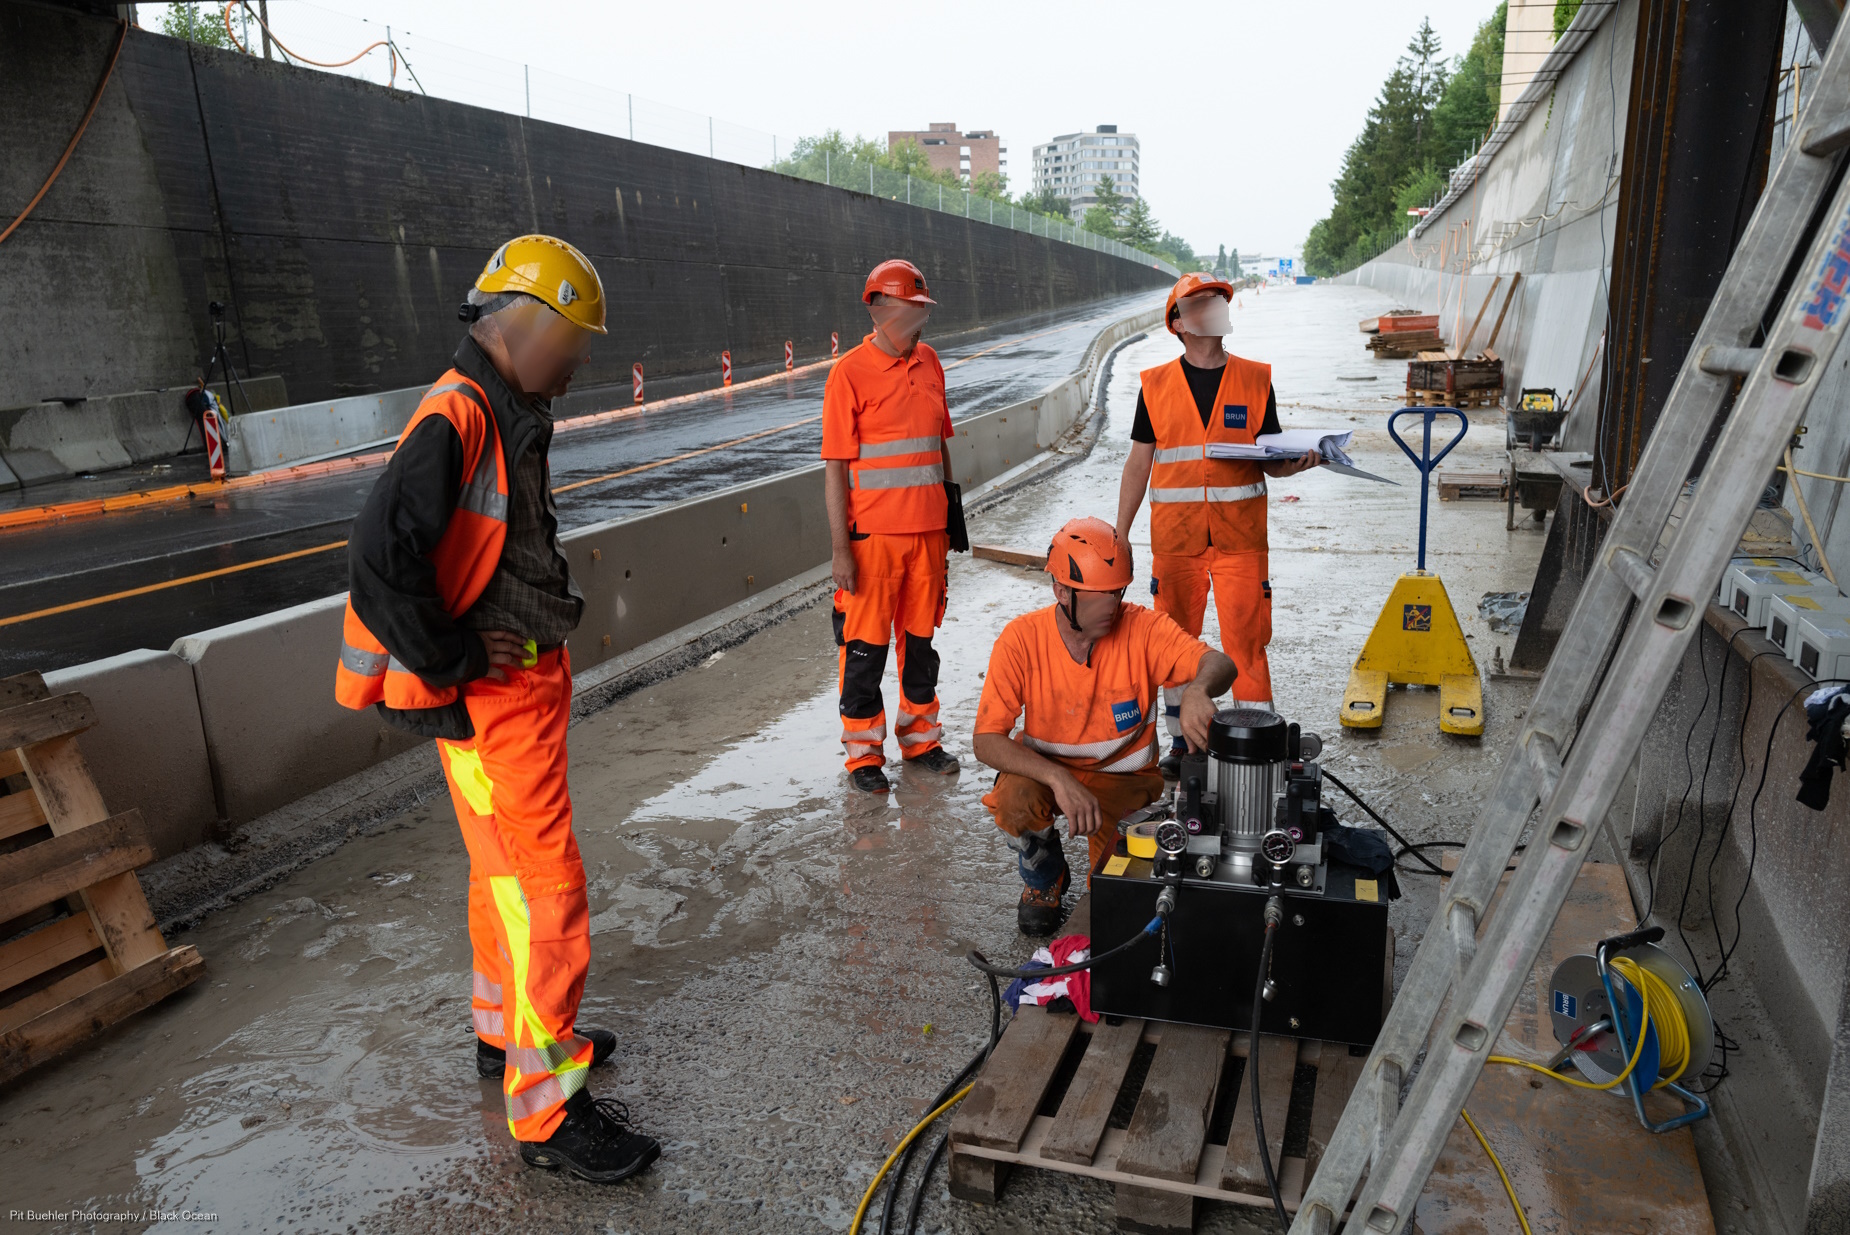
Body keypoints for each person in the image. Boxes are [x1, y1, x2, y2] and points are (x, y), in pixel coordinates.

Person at [335, 235, 659, 1184]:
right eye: (579, 340)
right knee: (545, 890)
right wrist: (458, 654)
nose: (585, 359)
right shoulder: (464, 412)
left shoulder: (498, 404)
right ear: (533, 325)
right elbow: (377, 555)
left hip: (503, 696)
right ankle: (549, 1108)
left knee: (499, 877)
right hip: (494, 699)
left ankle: (502, 1036)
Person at [973, 518, 1236, 935]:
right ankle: (1045, 882)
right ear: (1061, 592)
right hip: (1046, 771)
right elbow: (986, 740)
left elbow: (1219, 662)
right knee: (1014, 800)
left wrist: (1198, 689)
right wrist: (1058, 777)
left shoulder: (1143, 628)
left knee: (1120, 899)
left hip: (1124, 781)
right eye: (1097, 596)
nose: (1111, 605)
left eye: (1117, 591)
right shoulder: (1020, 640)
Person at [1115, 272, 1320, 780]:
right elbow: (1139, 464)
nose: (1213, 308)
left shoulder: (1254, 378)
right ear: (1179, 323)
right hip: (1177, 541)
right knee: (1176, 643)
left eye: (1217, 301)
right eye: (1201, 302)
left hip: (1240, 541)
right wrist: (1119, 535)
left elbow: (1267, 455)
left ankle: (1256, 739)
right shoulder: (1155, 385)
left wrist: (1293, 463)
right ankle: (1184, 744)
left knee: (1247, 647)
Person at [822, 258, 963, 794]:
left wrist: (952, 525)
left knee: (920, 646)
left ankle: (921, 741)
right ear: (882, 309)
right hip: (872, 542)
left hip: (928, 538)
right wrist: (841, 549)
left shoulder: (930, 363)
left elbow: (938, 448)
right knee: (864, 650)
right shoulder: (848, 374)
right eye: (913, 308)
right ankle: (863, 757)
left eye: (923, 310)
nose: (921, 319)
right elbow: (835, 468)